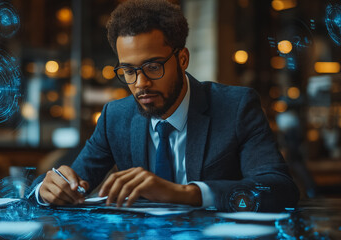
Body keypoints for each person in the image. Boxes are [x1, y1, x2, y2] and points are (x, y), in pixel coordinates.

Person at [30, 0, 299, 211]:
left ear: (182, 59)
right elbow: (70, 183)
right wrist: (46, 189)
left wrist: (184, 193)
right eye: (128, 71)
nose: (140, 83)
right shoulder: (116, 117)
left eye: (153, 66)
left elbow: (279, 189)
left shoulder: (236, 107)